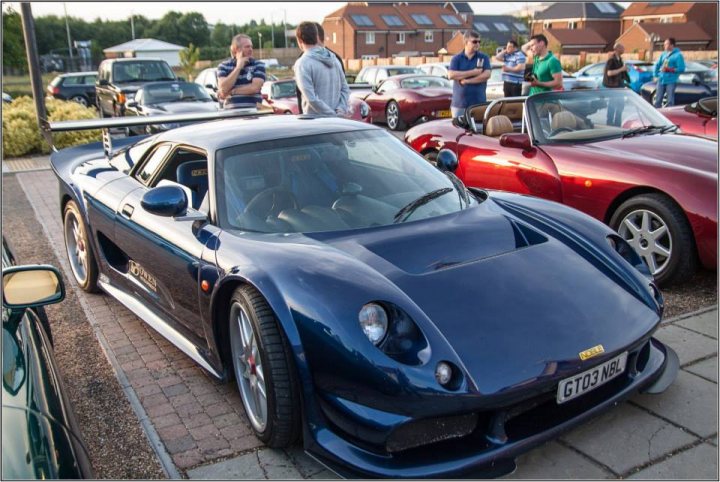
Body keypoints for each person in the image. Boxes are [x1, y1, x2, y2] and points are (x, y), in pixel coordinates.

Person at [293, 21, 350, 116]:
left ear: (299, 41)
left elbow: (311, 98)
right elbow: (345, 89)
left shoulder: (302, 63)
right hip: (338, 120)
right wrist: (340, 109)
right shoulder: (334, 59)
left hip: (316, 124)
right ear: (317, 36)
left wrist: (331, 115)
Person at [448, 30, 491, 118]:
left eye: (479, 42)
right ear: (466, 42)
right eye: (474, 41)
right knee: (458, 130)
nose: (477, 44)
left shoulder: (483, 57)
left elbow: (486, 75)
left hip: (478, 103)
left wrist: (468, 81)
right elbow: (451, 75)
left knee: (478, 130)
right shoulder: (456, 58)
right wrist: (473, 72)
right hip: (459, 104)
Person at [217, 34, 266, 109]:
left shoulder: (258, 65)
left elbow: (254, 88)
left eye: (251, 46)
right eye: (247, 47)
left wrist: (232, 91)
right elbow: (223, 88)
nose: (251, 49)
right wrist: (238, 67)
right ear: (236, 49)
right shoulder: (224, 66)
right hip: (231, 115)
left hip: (254, 114)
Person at [603, 42, 630, 126]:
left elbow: (620, 71)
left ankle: (618, 124)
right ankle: (609, 124)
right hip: (613, 87)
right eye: (622, 48)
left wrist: (625, 70)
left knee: (620, 106)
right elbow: (609, 73)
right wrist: (621, 69)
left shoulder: (620, 59)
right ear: (617, 49)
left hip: (620, 85)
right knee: (612, 106)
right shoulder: (611, 60)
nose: (624, 49)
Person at [653, 37, 685, 107]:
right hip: (661, 80)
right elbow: (657, 65)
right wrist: (655, 75)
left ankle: (669, 115)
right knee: (658, 100)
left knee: (670, 100)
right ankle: (656, 115)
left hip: (671, 81)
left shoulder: (678, 55)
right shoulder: (663, 54)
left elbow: (681, 69)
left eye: (666, 44)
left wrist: (669, 69)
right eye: (664, 44)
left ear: (672, 45)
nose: (664, 46)